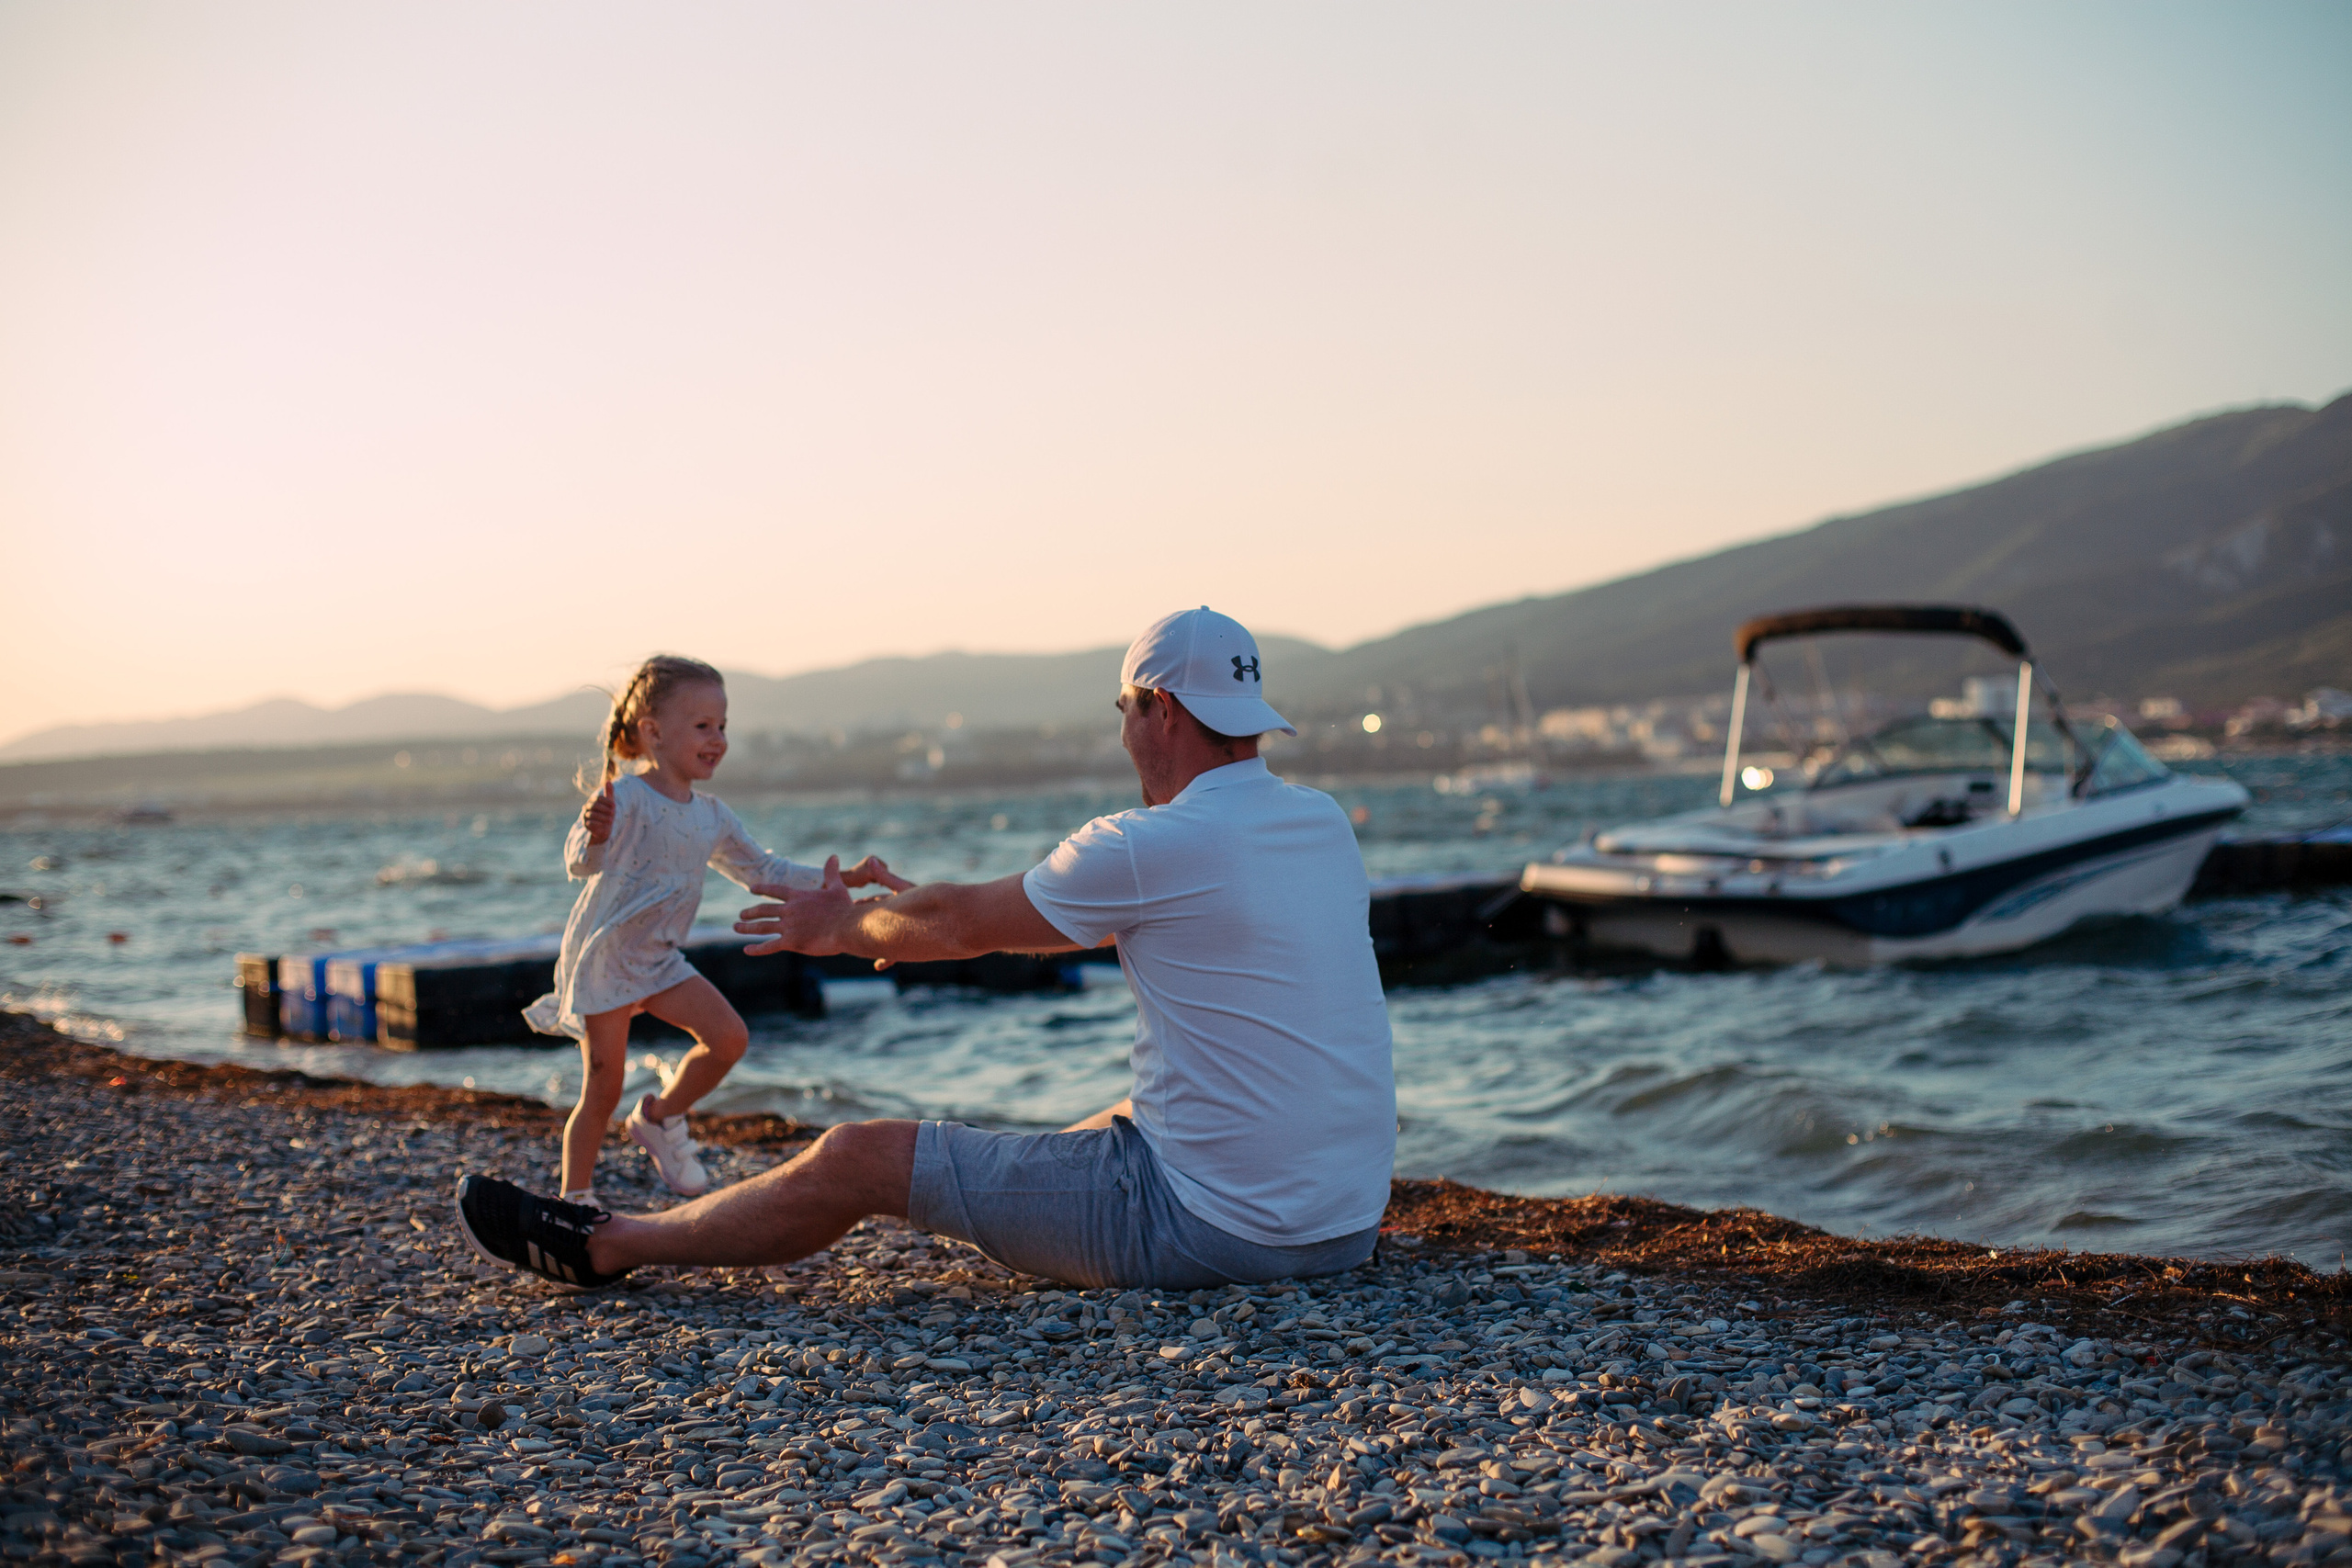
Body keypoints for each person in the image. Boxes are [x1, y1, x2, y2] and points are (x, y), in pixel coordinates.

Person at [456, 609, 1396, 1293]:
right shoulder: (1318, 823)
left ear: (1157, 709)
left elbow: (958, 923)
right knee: (1119, 1113)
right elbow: (1040, 920)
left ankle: (609, 1243)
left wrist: (833, 928)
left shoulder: (1153, 844)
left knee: (858, 1155)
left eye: (1122, 710)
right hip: (1342, 1223)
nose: (1122, 735)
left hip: (1211, 1231)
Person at [521, 654, 908, 1206]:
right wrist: (595, 833)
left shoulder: (712, 814)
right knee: (602, 1088)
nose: (717, 739)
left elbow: (764, 872)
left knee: (729, 1040)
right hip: (609, 960)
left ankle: (660, 1116)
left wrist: (840, 880)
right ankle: (574, 1199)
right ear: (652, 732)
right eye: (702, 726)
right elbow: (582, 863)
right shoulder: (626, 797)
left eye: (722, 726)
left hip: (661, 960)